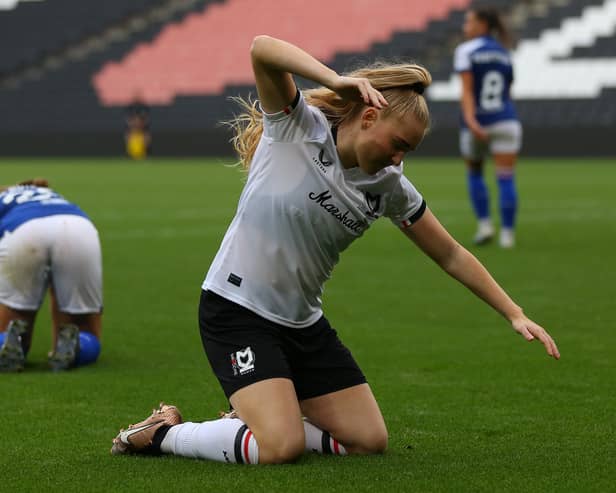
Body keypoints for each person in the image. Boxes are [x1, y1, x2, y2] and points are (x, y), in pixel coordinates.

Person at [111, 35, 559, 464]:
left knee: (368, 441)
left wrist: (514, 312)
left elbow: (450, 253)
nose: (400, 159)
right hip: (236, 311)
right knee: (279, 448)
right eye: (398, 144)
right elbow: (262, 48)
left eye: (409, 152)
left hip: (303, 325)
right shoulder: (295, 126)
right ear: (368, 118)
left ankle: (253, 418)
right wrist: (334, 80)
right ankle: (162, 433)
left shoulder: (389, 188)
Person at [0, 179, 103, 372]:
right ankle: (77, 346)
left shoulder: (4, 199)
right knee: (86, 327)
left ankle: (8, 342)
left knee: (15, 321)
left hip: (22, 230)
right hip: (78, 228)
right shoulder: (50, 196)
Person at [454, 8, 521, 248]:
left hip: (479, 120)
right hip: (506, 119)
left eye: (469, 21)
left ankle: (484, 225)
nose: (465, 26)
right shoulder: (504, 52)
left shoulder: (466, 51)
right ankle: (508, 235)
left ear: (482, 24)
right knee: (506, 177)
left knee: (475, 171)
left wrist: (472, 121)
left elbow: (467, 92)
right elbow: (507, 90)